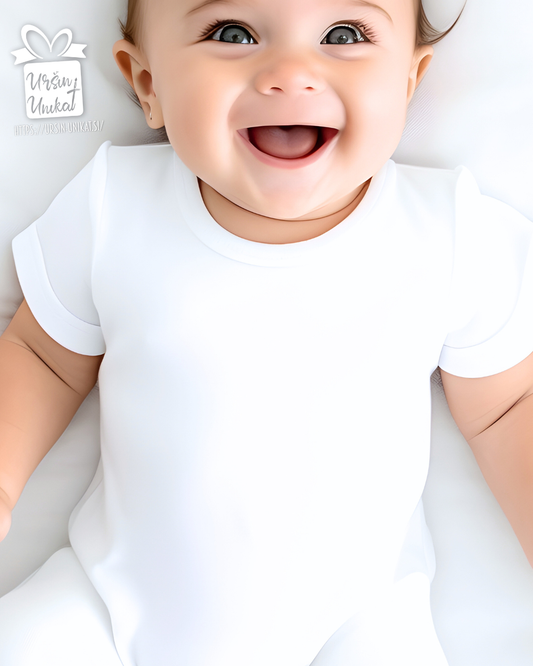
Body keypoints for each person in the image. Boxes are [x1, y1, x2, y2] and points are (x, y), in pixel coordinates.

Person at [0, 0, 532, 664]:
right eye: (233, 33)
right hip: (105, 609)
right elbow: (43, 357)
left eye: (343, 34)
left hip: (353, 626)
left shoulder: (447, 231)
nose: (290, 72)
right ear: (148, 84)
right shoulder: (114, 203)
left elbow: (508, 406)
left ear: (408, 83)